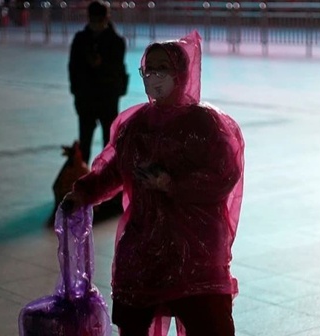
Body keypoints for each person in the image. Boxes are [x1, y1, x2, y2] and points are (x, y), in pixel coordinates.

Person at [64, 31, 245, 336]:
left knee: (208, 323)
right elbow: (113, 172)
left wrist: (173, 184)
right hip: (143, 250)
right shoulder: (136, 125)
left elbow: (224, 175)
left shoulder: (206, 124)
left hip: (196, 251)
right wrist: (82, 194)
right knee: (134, 323)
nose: (155, 76)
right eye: (150, 69)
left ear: (182, 73)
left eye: (164, 68)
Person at [68, 0, 128, 164]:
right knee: (85, 142)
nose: (96, 23)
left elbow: (116, 68)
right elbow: (73, 68)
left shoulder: (116, 41)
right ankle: (85, 179)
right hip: (87, 97)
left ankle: (107, 181)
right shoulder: (81, 40)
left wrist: (102, 65)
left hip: (106, 97)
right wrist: (77, 93)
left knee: (109, 142)